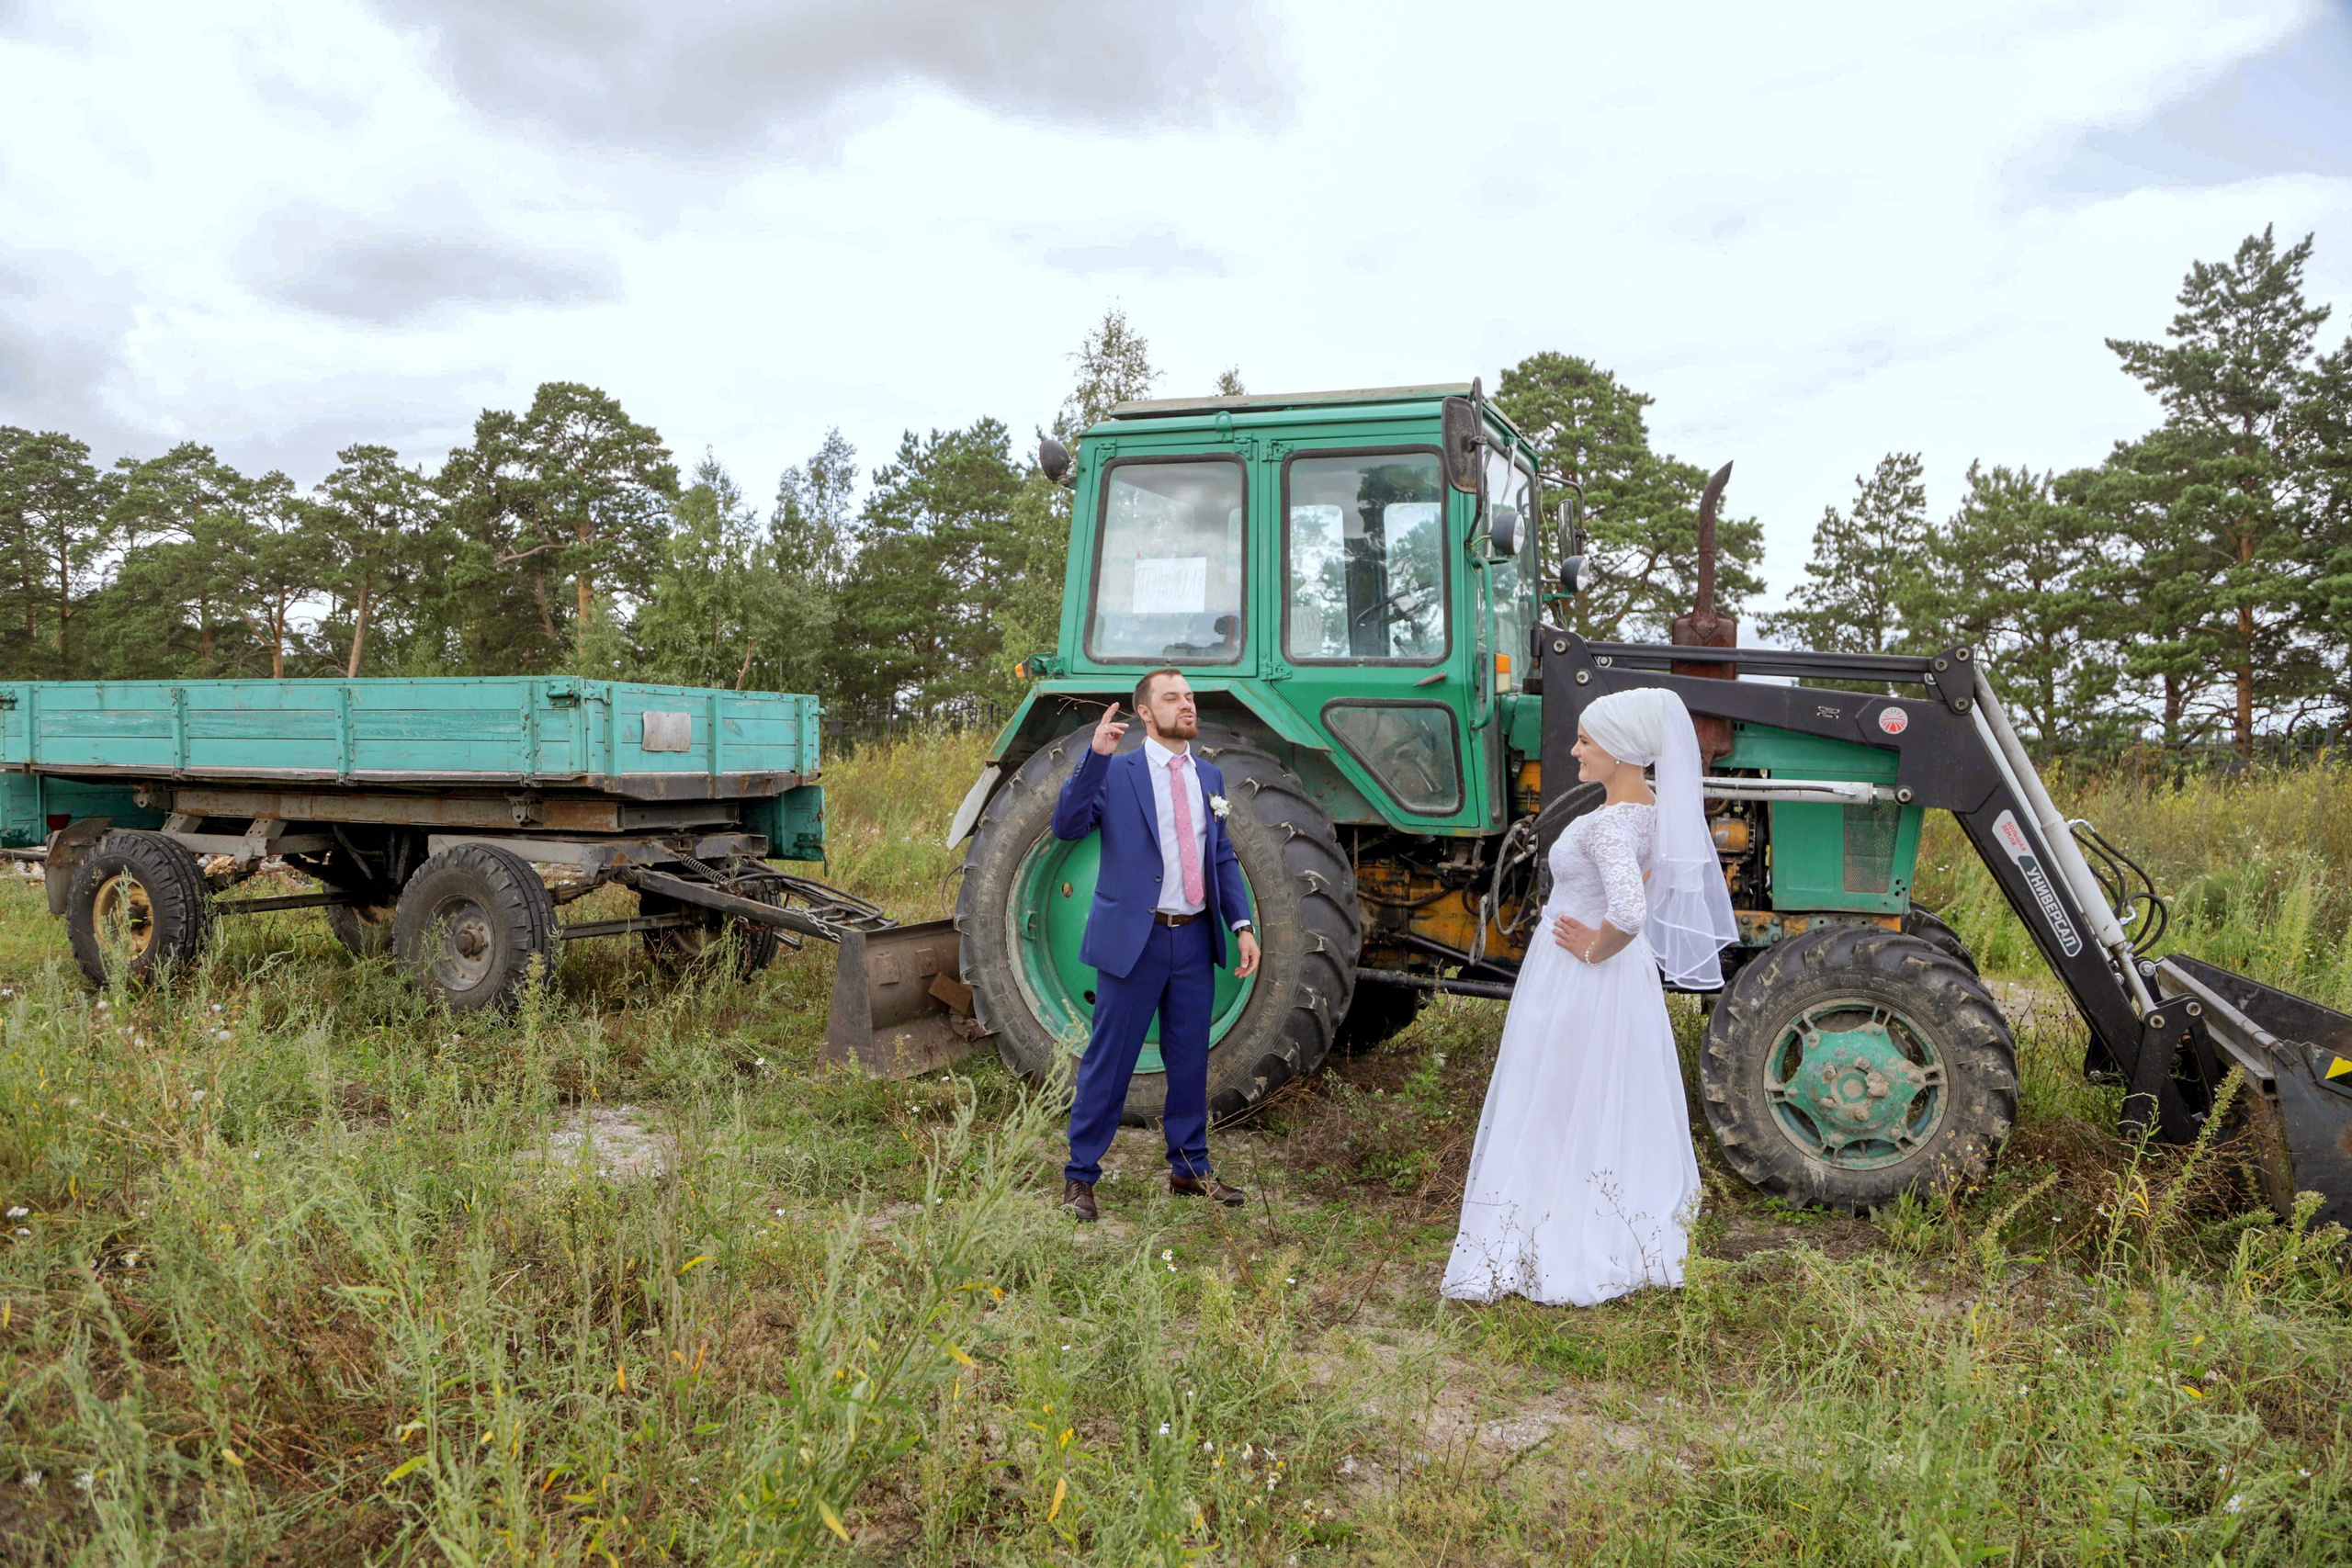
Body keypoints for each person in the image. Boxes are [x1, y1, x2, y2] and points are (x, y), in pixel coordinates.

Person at [1442, 686, 1737, 1306]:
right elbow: (1644, 893)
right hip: (1619, 983)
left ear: (1622, 749)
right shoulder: (1650, 811)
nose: (1574, 749)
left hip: (1582, 976)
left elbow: (1629, 910)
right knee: (1603, 1096)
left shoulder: (1608, 823)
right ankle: (1594, 1212)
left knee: (1557, 1094)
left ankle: (1555, 1223)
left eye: (1585, 740)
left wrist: (1591, 948)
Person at [1050, 669, 1263, 1222]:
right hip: (1133, 942)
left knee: (1190, 1059)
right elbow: (1068, 824)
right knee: (1111, 1061)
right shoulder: (1118, 772)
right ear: (1145, 712)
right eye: (1173, 698)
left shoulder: (1209, 776)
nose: (1186, 705)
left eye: (1190, 696)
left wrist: (1241, 926)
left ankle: (1190, 1167)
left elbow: (1221, 857)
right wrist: (1094, 757)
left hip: (1193, 939)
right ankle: (1080, 1177)